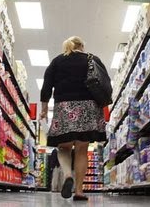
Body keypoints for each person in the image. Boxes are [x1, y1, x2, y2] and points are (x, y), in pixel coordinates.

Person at [40, 36, 108, 201]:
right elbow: (105, 82)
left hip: (64, 107)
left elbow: (47, 85)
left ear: (67, 47)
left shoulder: (57, 61)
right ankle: (79, 191)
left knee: (63, 148)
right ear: (82, 46)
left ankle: (68, 175)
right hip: (88, 107)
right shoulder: (92, 59)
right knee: (82, 150)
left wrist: (43, 108)